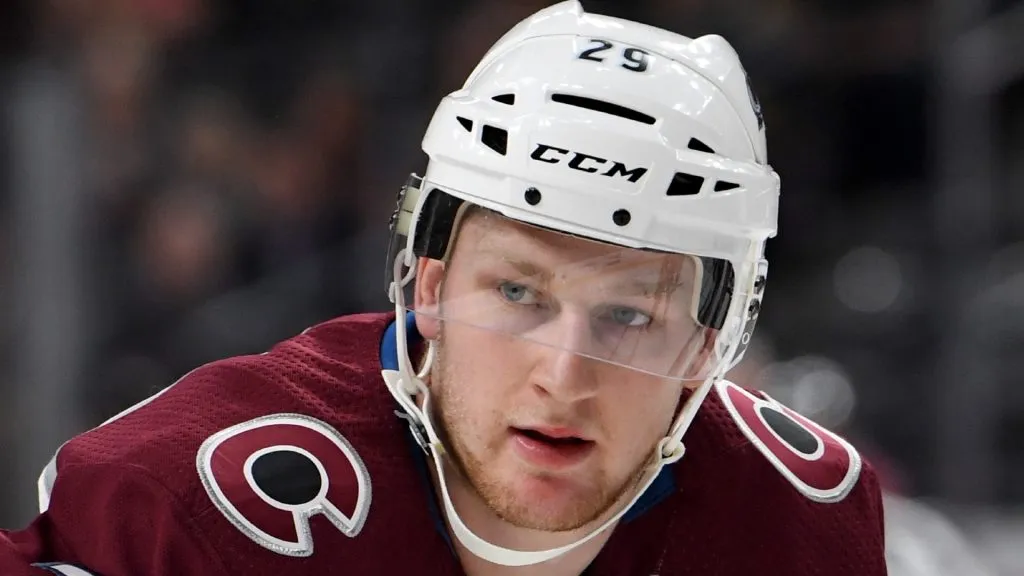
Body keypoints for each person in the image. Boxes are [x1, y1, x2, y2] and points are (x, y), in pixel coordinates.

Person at [0, 2, 886, 574]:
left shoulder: (798, 524)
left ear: (710, 344)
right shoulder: (192, 506)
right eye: (517, 294)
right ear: (426, 286)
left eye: (627, 313)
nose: (562, 373)